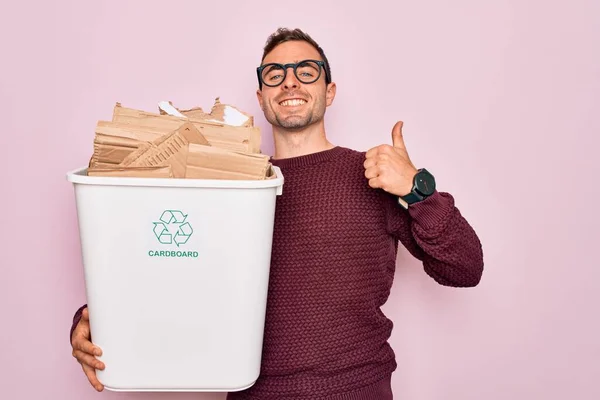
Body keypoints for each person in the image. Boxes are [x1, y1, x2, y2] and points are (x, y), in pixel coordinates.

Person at [70, 27, 484, 399]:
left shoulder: (375, 176)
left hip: (358, 390)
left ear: (330, 90)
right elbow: (165, 269)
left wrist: (417, 189)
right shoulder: (226, 187)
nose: (290, 80)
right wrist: (94, 321)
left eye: (307, 70)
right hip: (255, 392)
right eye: (275, 73)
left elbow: (465, 268)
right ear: (261, 96)